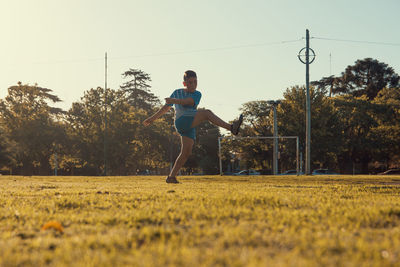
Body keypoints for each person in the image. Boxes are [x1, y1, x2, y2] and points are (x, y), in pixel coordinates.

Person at [143, 70, 243, 183]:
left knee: (186, 153)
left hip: (189, 124)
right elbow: (165, 108)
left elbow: (189, 102)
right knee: (207, 113)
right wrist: (152, 118)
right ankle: (231, 128)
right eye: (190, 82)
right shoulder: (177, 92)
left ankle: (171, 177)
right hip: (181, 121)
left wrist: (174, 100)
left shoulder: (197, 94)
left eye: (195, 82)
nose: (193, 84)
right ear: (184, 83)